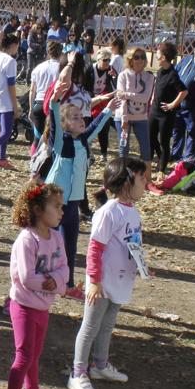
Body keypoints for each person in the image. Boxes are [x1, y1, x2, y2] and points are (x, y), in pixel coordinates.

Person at [67, 156, 150, 389]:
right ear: (127, 181)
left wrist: (142, 266)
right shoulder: (108, 212)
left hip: (121, 280)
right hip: (101, 283)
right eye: (142, 178)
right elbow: (95, 248)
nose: (146, 183)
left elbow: (133, 244)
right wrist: (94, 280)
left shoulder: (132, 212)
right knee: (91, 325)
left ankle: (100, 366)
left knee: (108, 324)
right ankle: (77, 372)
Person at [2, 181, 67, 389]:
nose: (62, 212)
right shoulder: (26, 240)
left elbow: (65, 269)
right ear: (39, 210)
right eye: (57, 206)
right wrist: (51, 283)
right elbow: (26, 277)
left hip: (43, 307)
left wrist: (58, 281)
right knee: (24, 356)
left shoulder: (57, 236)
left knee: (35, 354)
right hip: (24, 307)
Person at [44, 82, 116, 298]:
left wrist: (109, 109)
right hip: (54, 203)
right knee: (49, 245)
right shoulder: (59, 142)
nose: (81, 119)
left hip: (73, 202)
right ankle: (45, 280)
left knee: (71, 245)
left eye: (81, 116)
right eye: (74, 117)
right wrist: (56, 102)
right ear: (65, 124)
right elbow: (55, 123)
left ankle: (68, 284)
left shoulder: (83, 141)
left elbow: (96, 125)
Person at [149, 42, 187, 175]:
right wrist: (152, 100)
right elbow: (156, 88)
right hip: (154, 111)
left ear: (163, 57)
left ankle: (162, 169)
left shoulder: (173, 74)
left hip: (166, 114)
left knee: (164, 141)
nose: (156, 57)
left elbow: (183, 91)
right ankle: (161, 158)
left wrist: (172, 105)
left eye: (158, 54)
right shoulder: (160, 71)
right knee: (151, 138)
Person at [0, 32, 21, 169]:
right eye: (17, 46)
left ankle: (2, 159)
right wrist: (15, 105)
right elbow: (11, 85)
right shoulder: (10, 61)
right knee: (6, 132)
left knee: (4, 131)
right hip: (5, 101)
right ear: (13, 45)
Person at [115, 47, 154, 163]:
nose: (140, 60)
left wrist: (126, 94)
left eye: (143, 57)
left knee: (146, 149)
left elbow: (145, 98)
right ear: (130, 59)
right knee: (123, 148)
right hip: (123, 116)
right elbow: (120, 98)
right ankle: (123, 175)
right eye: (136, 57)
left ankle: (145, 176)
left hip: (141, 117)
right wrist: (124, 118)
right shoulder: (123, 75)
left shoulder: (150, 77)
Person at [28, 40, 63, 150]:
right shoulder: (62, 68)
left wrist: (30, 109)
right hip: (55, 105)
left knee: (37, 138)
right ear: (61, 53)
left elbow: (32, 90)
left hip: (39, 104)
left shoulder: (38, 67)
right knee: (54, 138)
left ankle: (34, 161)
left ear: (48, 52)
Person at [86, 49, 118, 162]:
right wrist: (94, 97)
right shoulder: (90, 69)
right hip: (91, 100)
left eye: (109, 60)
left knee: (104, 126)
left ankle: (104, 153)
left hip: (103, 101)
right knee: (88, 126)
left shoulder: (110, 70)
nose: (107, 63)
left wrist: (115, 77)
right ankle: (88, 151)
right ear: (98, 60)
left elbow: (116, 85)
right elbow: (85, 87)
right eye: (105, 60)